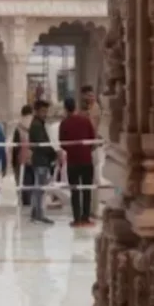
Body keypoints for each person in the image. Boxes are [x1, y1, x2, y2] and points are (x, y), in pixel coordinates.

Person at [59, 96, 96, 226]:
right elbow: (92, 138)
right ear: (75, 106)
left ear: (65, 108)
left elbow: (62, 143)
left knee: (75, 190)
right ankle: (86, 217)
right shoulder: (85, 121)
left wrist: (71, 150)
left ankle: (77, 218)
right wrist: (86, 150)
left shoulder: (64, 123)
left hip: (73, 162)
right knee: (87, 189)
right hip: (87, 160)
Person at [28, 100, 58, 224]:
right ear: (36, 111)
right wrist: (54, 153)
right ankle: (38, 213)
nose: (45, 114)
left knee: (39, 187)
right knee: (40, 188)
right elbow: (42, 144)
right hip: (40, 160)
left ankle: (36, 212)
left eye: (46, 111)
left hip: (42, 159)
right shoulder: (36, 125)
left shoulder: (39, 123)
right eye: (42, 111)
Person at [80, 84, 103, 218]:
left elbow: (94, 128)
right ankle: (88, 207)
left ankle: (94, 208)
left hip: (94, 147)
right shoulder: (87, 108)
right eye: (87, 95)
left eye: (90, 95)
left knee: (95, 179)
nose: (89, 97)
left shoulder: (95, 108)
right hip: (87, 147)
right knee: (87, 179)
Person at [11, 105, 35, 207]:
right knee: (34, 182)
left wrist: (13, 160)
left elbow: (15, 146)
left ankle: (26, 204)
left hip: (22, 159)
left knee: (23, 183)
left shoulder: (19, 126)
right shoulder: (36, 123)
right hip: (35, 158)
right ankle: (33, 204)